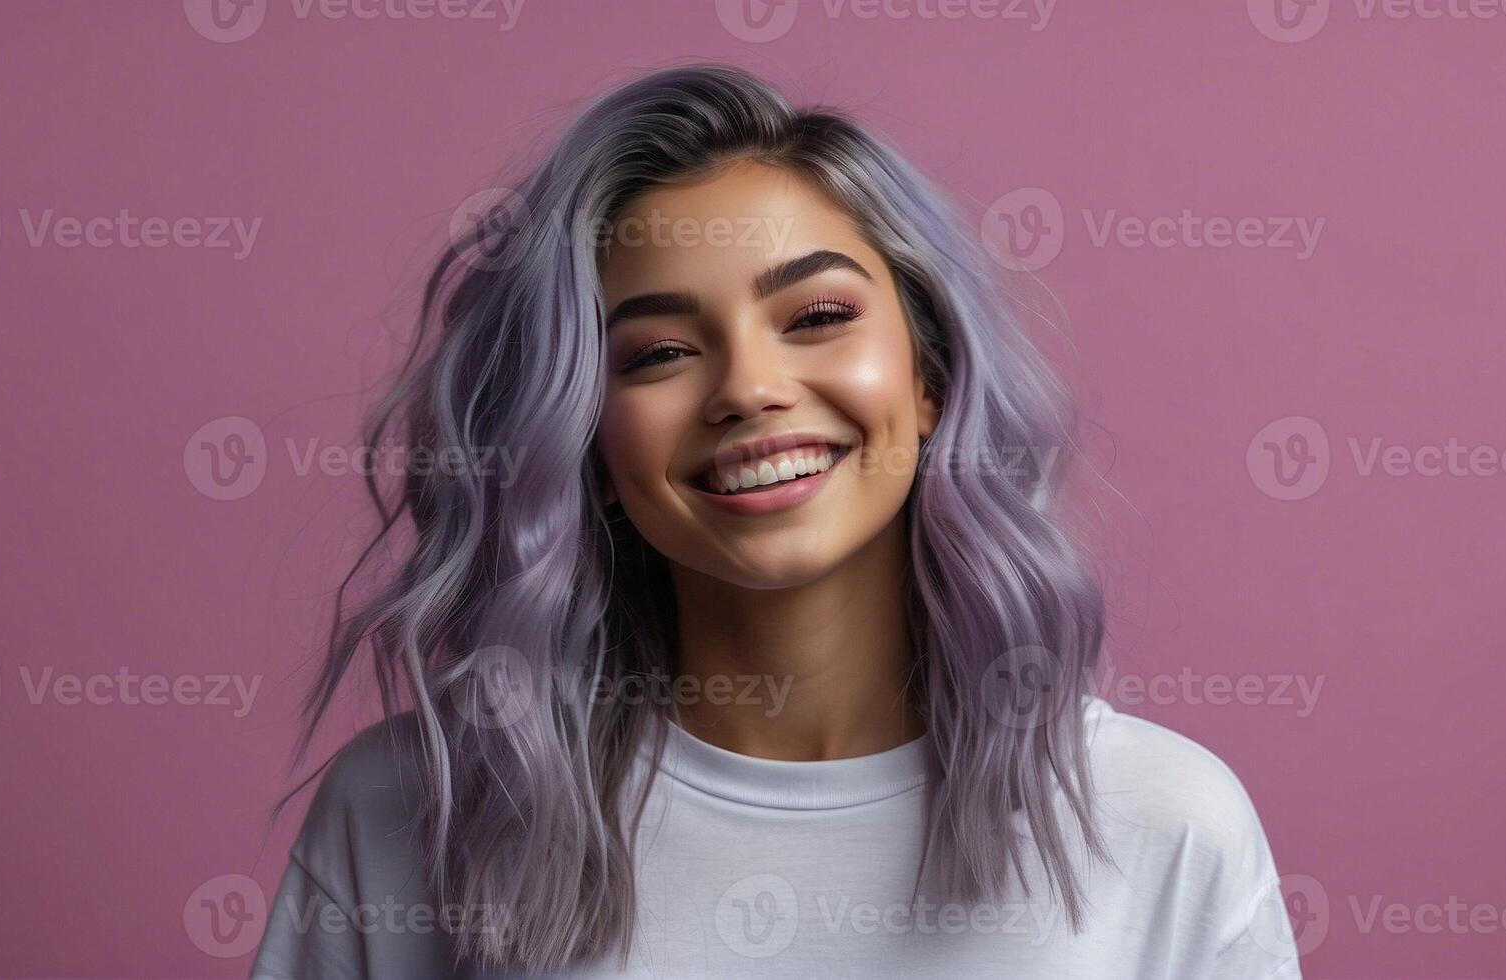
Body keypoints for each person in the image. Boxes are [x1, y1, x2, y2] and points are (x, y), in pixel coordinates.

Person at [250, 62, 1304, 979]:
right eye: (657, 352)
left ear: (928, 376)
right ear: (585, 447)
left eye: (816, 317)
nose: (749, 389)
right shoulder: (412, 810)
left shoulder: (1164, 822)